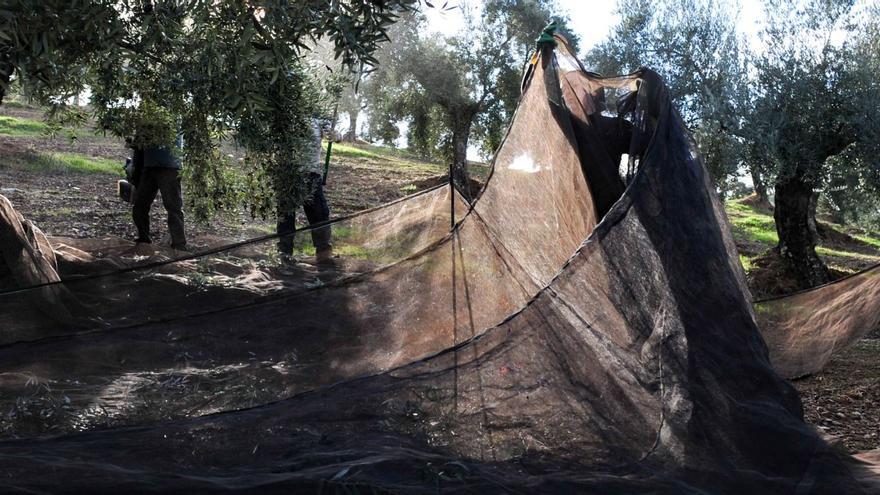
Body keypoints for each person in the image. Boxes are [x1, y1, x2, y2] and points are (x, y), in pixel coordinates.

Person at [277, 118, 333, 264]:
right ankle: (285, 254)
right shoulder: (287, 112)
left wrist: (334, 134)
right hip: (287, 173)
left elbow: (334, 135)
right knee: (286, 216)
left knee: (320, 214)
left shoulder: (319, 118)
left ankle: (324, 254)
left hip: (311, 174)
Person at [131, 135, 187, 250]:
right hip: (150, 165)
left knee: (173, 207)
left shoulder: (169, 118)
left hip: (169, 166)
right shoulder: (145, 120)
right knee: (140, 206)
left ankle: (179, 244)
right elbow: (139, 145)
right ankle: (144, 239)